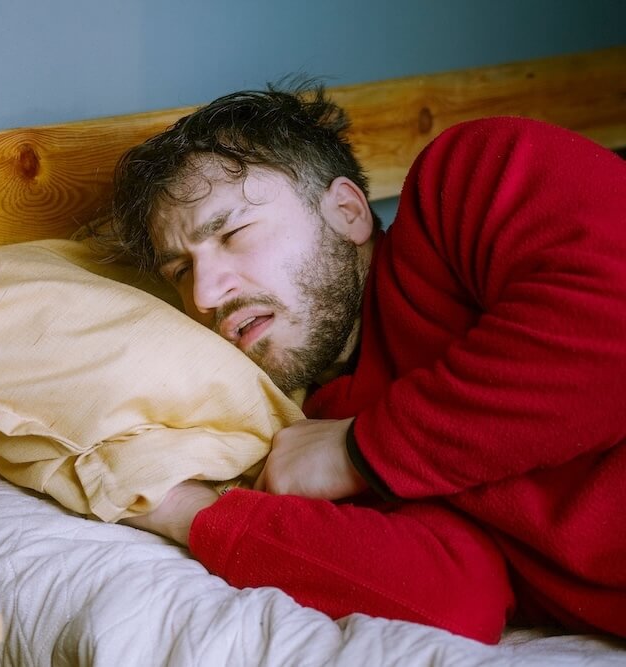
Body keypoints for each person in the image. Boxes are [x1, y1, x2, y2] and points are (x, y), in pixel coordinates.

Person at [105, 82, 626, 644]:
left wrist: (359, 450)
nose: (205, 294)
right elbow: (455, 599)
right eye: (180, 271)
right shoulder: (310, 424)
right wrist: (185, 508)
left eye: (233, 232)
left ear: (348, 212)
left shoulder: (465, 183)